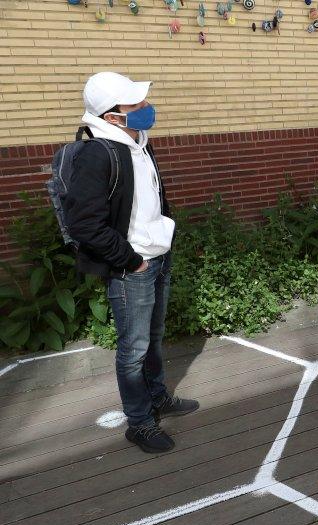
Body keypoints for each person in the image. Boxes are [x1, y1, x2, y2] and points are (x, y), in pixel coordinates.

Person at [65, 72, 198, 453]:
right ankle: (138, 422)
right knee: (134, 348)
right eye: (135, 105)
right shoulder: (98, 153)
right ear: (111, 116)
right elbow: (85, 224)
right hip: (132, 267)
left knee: (153, 339)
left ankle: (158, 398)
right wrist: (131, 260)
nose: (145, 109)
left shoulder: (138, 142)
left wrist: (163, 242)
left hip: (158, 256)